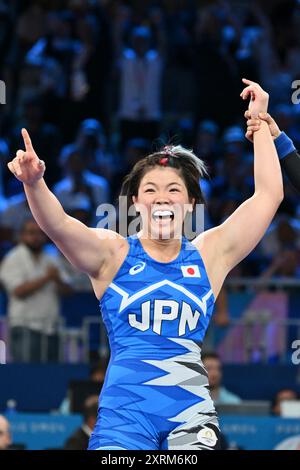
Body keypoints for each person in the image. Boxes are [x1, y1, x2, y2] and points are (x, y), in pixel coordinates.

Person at [6, 78, 283, 450]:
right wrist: (34, 184)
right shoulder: (112, 254)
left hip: (191, 415)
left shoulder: (209, 254)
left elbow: (268, 195)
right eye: (151, 190)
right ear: (136, 203)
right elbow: (58, 225)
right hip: (124, 416)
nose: (162, 198)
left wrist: (261, 123)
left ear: (189, 203)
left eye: (173, 190)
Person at [0, 218, 71, 362]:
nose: (36, 237)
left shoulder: (52, 259)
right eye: (31, 233)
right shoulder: (12, 259)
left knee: (52, 377)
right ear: (21, 235)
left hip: (51, 327)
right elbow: (18, 291)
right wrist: (47, 277)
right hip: (24, 327)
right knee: (27, 377)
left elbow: (69, 291)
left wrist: (56, 279)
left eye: (40, 233)